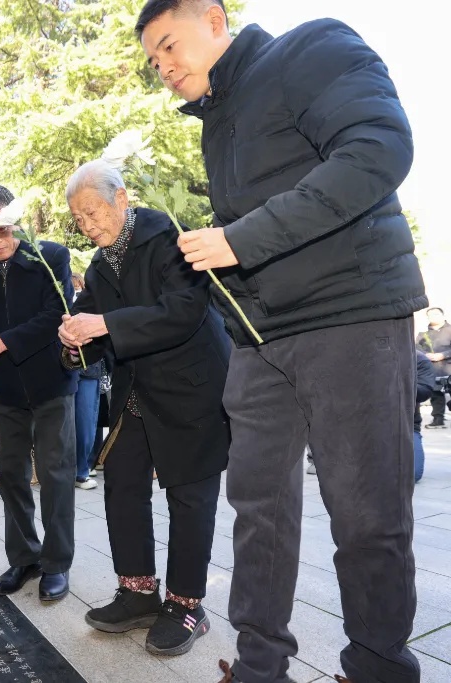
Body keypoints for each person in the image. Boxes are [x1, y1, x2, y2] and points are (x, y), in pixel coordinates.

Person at [136, 1, 426, 681]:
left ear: (212, 18)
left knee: (366, 513)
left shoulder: (310, 48)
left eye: (168, 45)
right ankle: (259, 665)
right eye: (151, 62)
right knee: (256, 510)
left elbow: (379, 146)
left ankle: (378, 666)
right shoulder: (216, 122)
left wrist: (238, 238)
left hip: (351, 313)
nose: (163, 68)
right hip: (260, 336)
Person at [60, 160, 230, 656]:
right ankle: (138, 591)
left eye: (94, 213)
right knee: (123, 487)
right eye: (80, 220)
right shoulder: (97, 264)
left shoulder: (169, 238)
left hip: (191, 386)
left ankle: (185, 605)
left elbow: (182, 312)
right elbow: (97, 335)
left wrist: (104, 324)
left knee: (189, 495)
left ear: (122, 198)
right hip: (136, 389)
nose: (89, 226)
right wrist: (74, 341)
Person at [0, 184, 78, 603]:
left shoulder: (50, 257)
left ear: (15, 219)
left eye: (0, 229)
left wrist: (2, 342)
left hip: (52, 384)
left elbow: (57, 314)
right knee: (10, 474)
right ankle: (25, 557)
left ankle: (57, 563)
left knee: (55, 474)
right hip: (8, 389)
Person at [71, 272, 99, 490]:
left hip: (91, 370)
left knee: (86, 422)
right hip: (72, 370)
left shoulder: (97, 298)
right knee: (79, 422)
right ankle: (77, 470)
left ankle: (83, 468)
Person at [416, 307, 451, 428]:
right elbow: (416, 349)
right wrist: (426, 356)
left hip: (448, 366)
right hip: (432, 368)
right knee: (436, 394)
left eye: (436, 314)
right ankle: (438, 419)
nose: (433, 317)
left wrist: (443, 355)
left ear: (442, 315)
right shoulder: (423, 334)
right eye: (430, 315)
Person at [414, 350, 435, 482]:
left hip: (407, 426)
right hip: (366, 424)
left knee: (413, 473)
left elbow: (424, 391)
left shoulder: (419, 358)